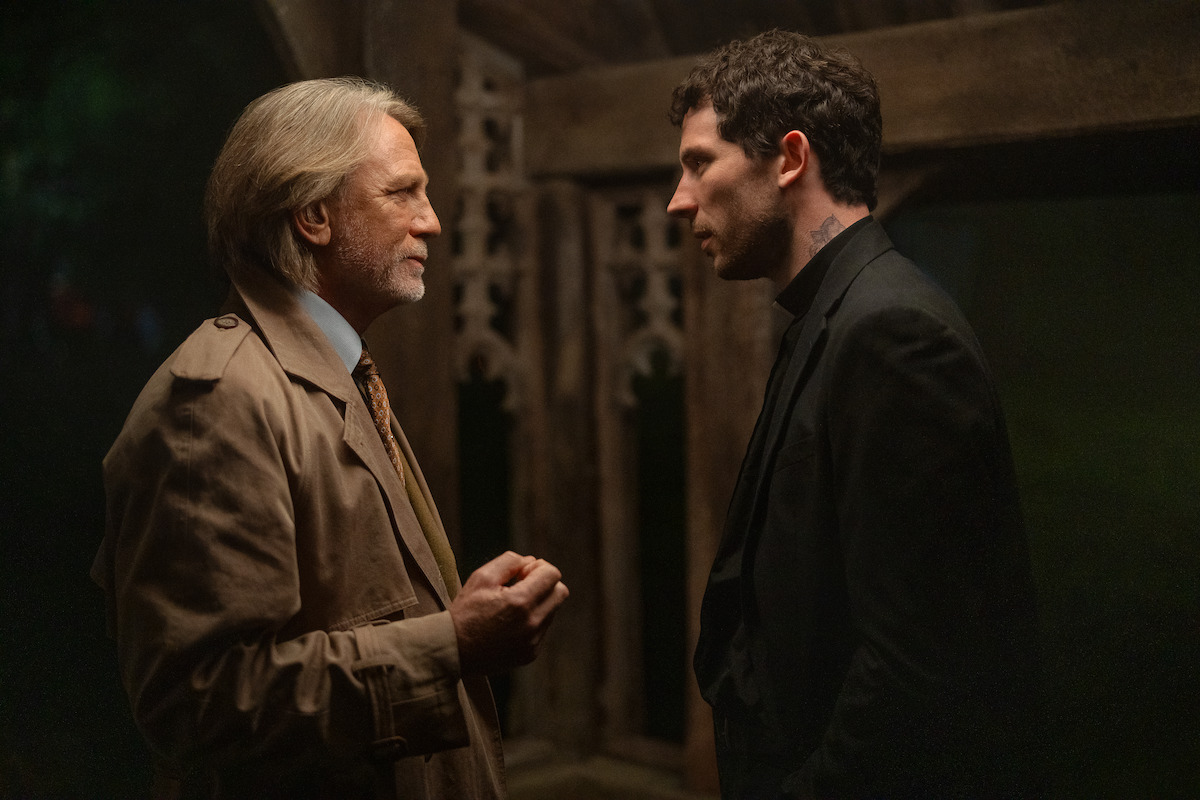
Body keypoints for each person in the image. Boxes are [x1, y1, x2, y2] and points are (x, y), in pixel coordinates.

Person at [92, 77, 568, 799]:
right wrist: (453, 643)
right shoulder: (219, 403)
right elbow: (200, 705)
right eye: (402, 193)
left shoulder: (336, 369)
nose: (433, 222)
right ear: (314, 216)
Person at [667, 31, 1044, 799]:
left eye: (700, 163)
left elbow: (917, 667)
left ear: (790, 158)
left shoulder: (892, 333)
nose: (679, 199)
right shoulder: (837, 313)